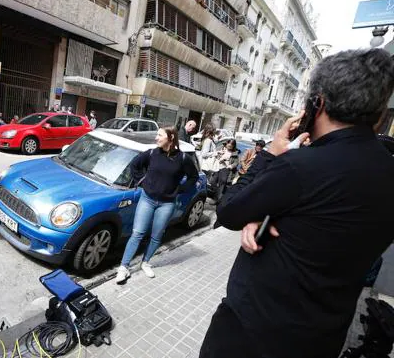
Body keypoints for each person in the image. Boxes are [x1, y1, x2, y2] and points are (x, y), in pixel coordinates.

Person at [199, 49, 394, 358]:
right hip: (321, 339)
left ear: (317, 104)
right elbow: (321, 223)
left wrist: (271, 153)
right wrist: (264, 212)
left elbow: (228, 211)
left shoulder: (300, 167)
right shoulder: (387, 171)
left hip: (252, 332)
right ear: (380, 114)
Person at [115, 126, 199, 283]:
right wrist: (143, 181)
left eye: (159, 135)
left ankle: (145, 263)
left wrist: (180, 189)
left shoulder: (182, 159)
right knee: (138, 233)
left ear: (170, 138)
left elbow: (193, 177)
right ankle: (123, 267)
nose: (156, 138)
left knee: (156, 236)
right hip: (147, 199)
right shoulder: (152, 153)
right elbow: (134, 165)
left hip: (167, 204)